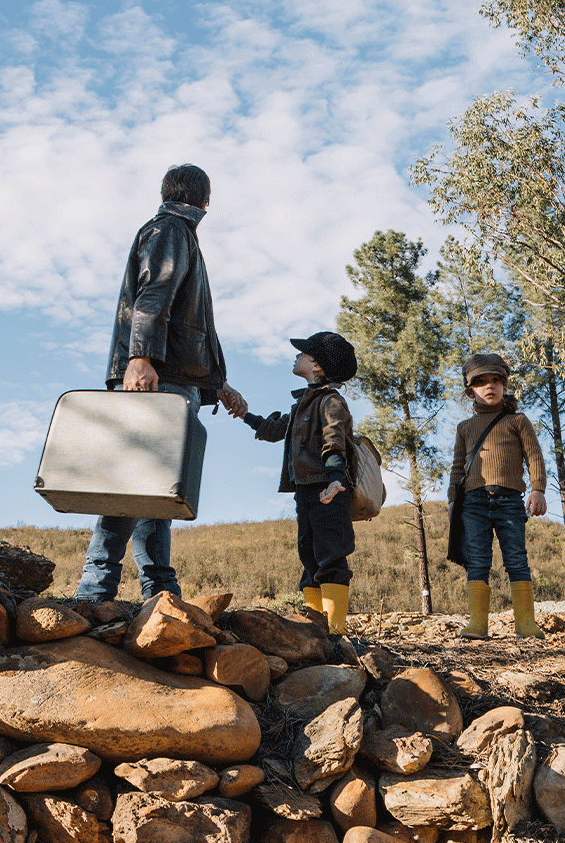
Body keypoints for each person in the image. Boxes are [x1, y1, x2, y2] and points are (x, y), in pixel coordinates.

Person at [75, 164, 247, 603]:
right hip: (156, 378)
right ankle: (93, 595)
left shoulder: (176, 232)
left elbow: (190, 328)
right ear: (205, 200)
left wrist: (217, 385)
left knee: (154, 493)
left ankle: (160, 595)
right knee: (131, 486)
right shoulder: (171, 230)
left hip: (167, 378)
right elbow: (154, 296)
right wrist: (141, 359)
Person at [241, 331, 358, 634]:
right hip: (306, 490)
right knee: (309, 557)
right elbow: (273, 430)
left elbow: (334, 440)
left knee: (331, 555)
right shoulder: (301, 405)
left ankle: (336, 631)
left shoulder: (331, 401)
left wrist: (335, 480)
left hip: (328, 489)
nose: (297, 355)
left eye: (303, 352)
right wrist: (244, 414)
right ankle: (315, 630)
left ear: (316, 365)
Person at [447, 353, 547, 639]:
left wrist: (538, 489)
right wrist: (452, 501)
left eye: (495, 380)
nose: (489, 386)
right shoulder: (465, 428)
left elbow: (534, 457)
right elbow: (457, 467)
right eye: (481, 382)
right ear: (470, 391)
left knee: (516, 558)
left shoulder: (518, 421)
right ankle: (477, 623)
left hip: (510, 501)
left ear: (505, 386)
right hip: (473, 503)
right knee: (478, 560)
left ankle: (525, 623)